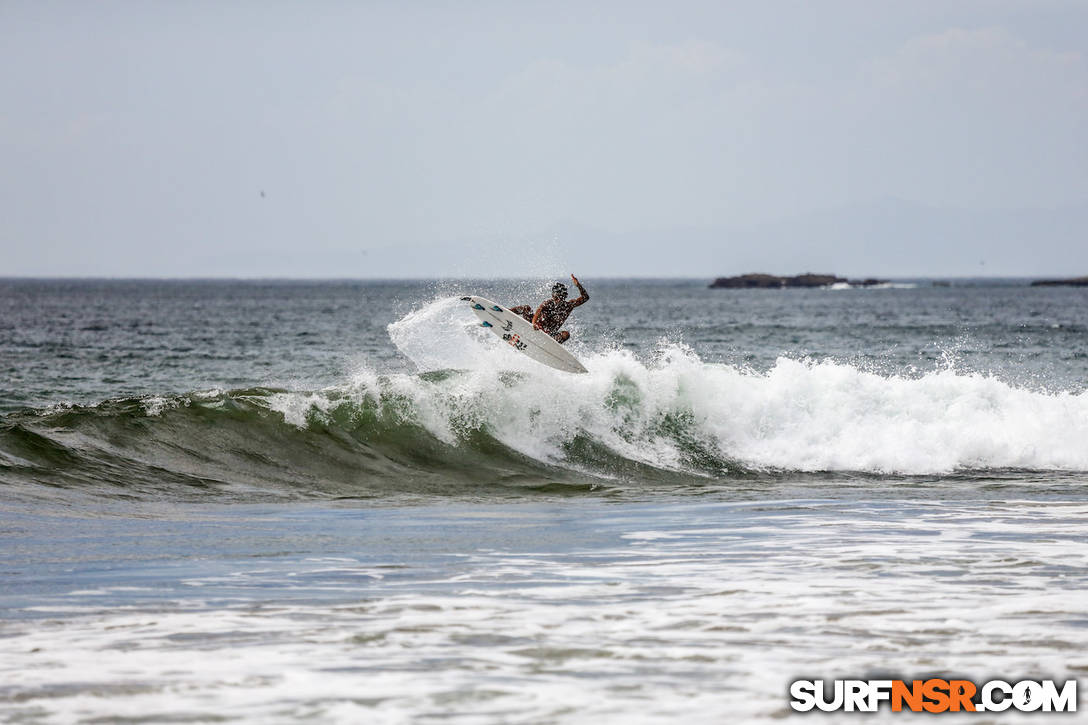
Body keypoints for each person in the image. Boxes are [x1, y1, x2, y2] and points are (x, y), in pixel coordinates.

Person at [509, 275, 589, 344]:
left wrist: (578, 285)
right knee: (525, 308)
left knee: (566, 334)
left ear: (564, 297)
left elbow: (585, 298)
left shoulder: (568, 306)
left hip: (549, 336)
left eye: (560, 298)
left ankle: (550, 347)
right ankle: (504, 312)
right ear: (553, 296)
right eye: (556, 297)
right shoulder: (548, 303)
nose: (558, 300)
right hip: (535, 328)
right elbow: (537, 313)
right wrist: (533, 324)